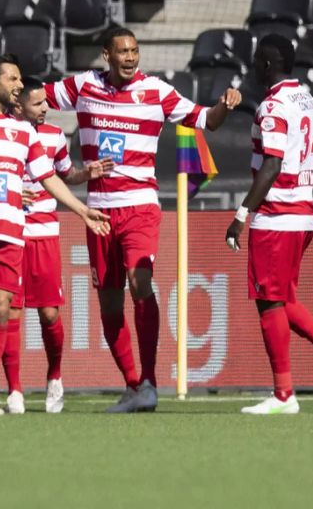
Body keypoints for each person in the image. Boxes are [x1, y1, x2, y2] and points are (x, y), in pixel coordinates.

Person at [44, 27, 241, 413]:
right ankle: (134, 387)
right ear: (106, 55)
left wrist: (225, 105)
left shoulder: (157, 91)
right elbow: (36, 98)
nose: (131, 57)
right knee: (110, 305)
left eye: (135, 50)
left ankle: (149, 381)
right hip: (98, 209)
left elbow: (207, 120)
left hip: (139, 205)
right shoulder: (84, 86)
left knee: (141, 281)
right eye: (123, 51)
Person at [0, 54, 111, 416]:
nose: (19, 85)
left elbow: (48, 178)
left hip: (11, 234)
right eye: (12, 79)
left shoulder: (25, 132)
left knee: (1, 311)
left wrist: (81, 210)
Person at [225, 34, 313, 415]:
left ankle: (284, 395)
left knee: (268, 301)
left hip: (278, 213)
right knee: (282, 298)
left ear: (266, 65)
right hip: (303, 212)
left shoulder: (272, 105)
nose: (251, 67)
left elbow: (272, 164)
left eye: (255, 61)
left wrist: (241, 214)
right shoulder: (306, 99)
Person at [1, 77, 114, 414]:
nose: (45, 108)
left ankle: (54, 377)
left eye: (45, 102)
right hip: (11, 232)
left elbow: (64, 174)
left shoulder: (53, 136)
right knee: (11, 312)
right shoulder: (1, 133)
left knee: (49, 313)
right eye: (37, 104)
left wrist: (86, 173)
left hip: (44, 233)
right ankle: (15, 389)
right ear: (18, 105)